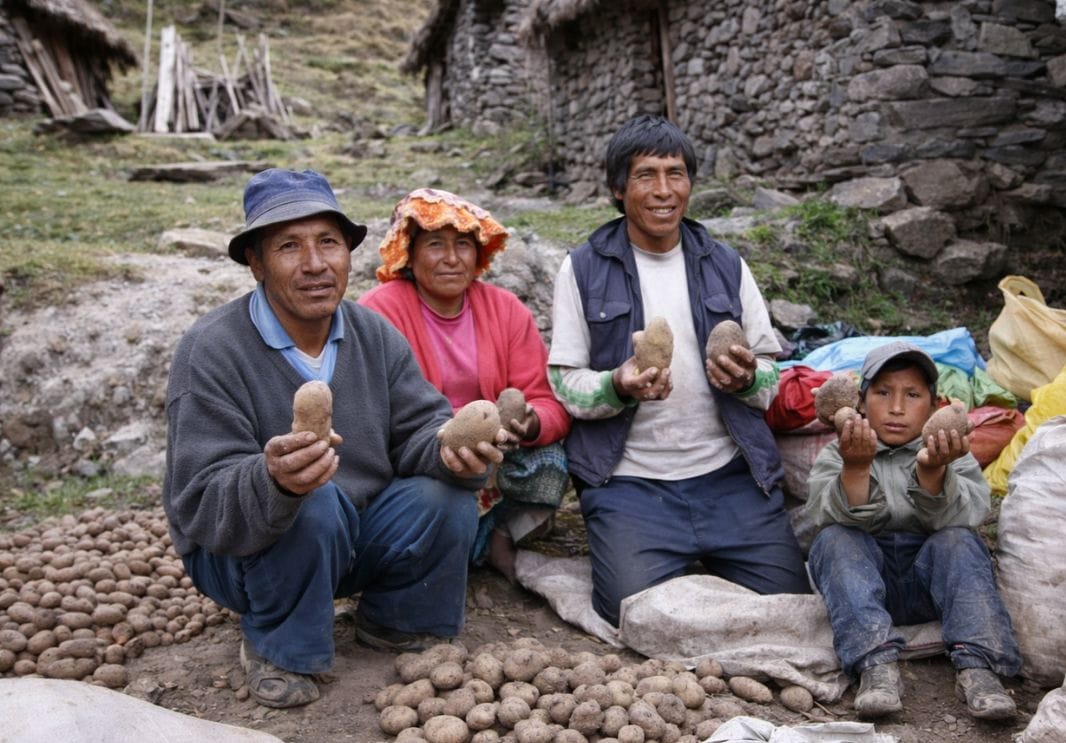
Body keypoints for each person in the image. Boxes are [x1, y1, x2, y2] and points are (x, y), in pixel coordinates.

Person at [163, 169, 508, 709]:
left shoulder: (374, 335)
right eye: (288, 247)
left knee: (445, 495)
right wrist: (272, 479)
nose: (315, 264)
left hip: (352, 539)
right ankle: (280, 646)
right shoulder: (211, 350)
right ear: (255, 262)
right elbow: (200, 503)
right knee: (312, 498)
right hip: (241, 552)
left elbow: (418, 429)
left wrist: (449, 451)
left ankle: (397, 621)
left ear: (348, 251)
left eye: (328, 242)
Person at [546, 114, 811, 627]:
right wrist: (618, 384)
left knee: (790, 603)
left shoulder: (726, 263)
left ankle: (710, 552)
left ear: (691, 183)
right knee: (628, 609)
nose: (664, 190)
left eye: (676, 173)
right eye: (646, 175)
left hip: (728, 478)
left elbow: (772, 377)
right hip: (630, 484)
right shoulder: (581, 268)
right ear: (618, 189)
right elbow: (565, 385)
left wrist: (747, 378)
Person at [359, 188, 571, 582]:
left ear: (479, 254)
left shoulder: (506, 310)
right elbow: (370, 412)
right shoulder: (379, 311)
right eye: (436, 244)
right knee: (426, 493)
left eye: (463, 245)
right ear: (409, 251)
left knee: (549, 462)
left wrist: (530, 423)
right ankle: (441, 549)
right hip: (416, 454)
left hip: (496, 451)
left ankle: (497, 535)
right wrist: (447, 434)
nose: (452, 258)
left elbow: (546, 400)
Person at [806, 341, 1021, 721]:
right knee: (833, 539)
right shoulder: (836, 453)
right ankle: (876, 667)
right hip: (866, 593)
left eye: (913, 394)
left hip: (929, 590)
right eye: (883, 392)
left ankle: (979, 668)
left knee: (958, 540)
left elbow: (972, 512)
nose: (896, 408)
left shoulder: (952, 452)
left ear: (935, 407)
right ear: (860, 401)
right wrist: (855, 468)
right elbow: (823, 515)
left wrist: (933, 472)